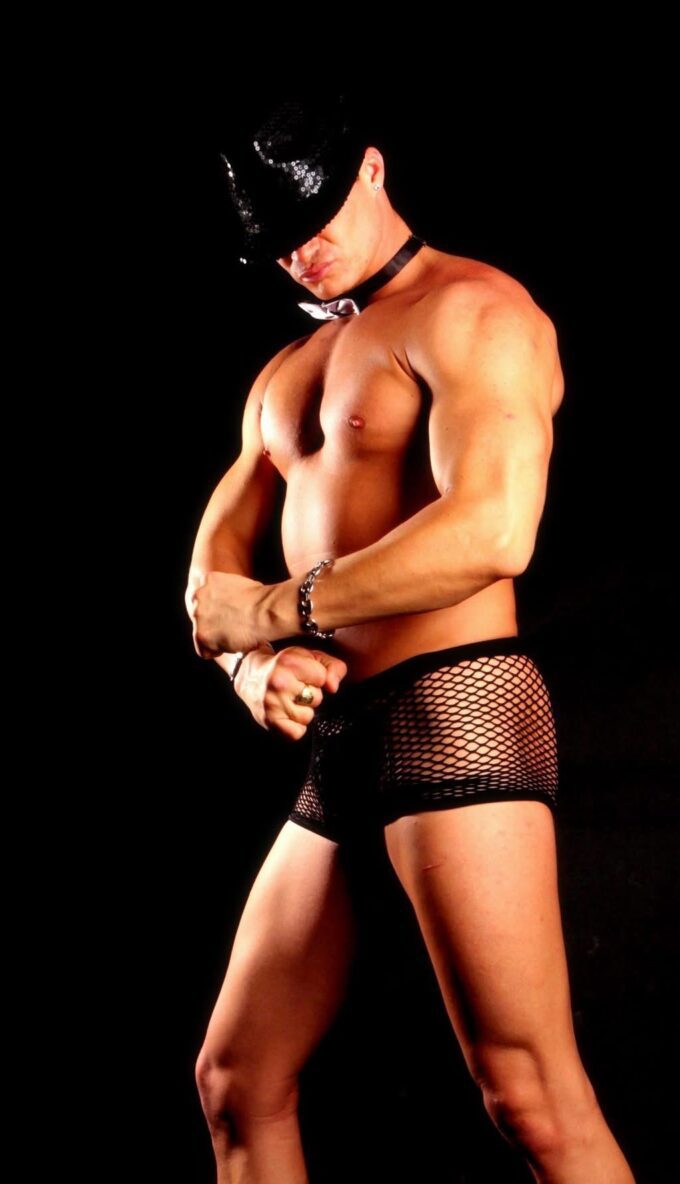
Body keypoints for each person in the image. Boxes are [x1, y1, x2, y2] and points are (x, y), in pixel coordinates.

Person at [186, 95, 636, 1183]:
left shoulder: (476, 311)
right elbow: (210, 590)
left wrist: (279, 613)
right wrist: (250, 667)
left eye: (316, 218)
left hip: (454, 703)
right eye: (278, 239)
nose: (302, 252)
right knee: (237, 1082)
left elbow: (493, 529)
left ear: (374, 169)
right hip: (344, 732)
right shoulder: (284, 373)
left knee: (528, 1093)